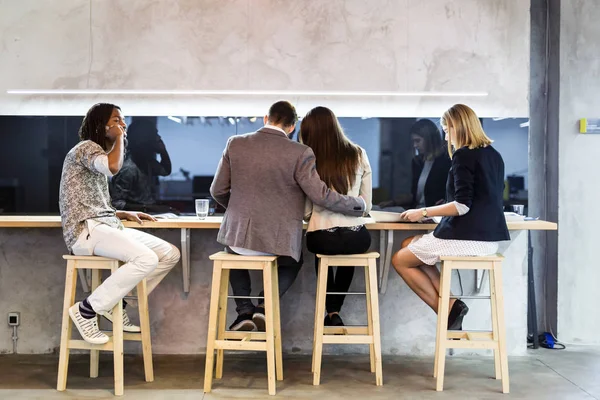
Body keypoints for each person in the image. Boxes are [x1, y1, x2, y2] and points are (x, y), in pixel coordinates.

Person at [210, 101, 366, 331]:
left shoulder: (236, 143)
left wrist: (236, 211)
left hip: (239, 237)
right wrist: (357, 204)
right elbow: (320, 195)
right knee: (293, 262)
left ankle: (243, 311)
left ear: (266, 118)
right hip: (278, 242)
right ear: (292, 127)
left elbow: (217, 191)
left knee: (231, 252)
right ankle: (264, 307)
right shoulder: (300, 152)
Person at [59, 103, 180, 344]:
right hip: (86, 230)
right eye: (116, 120)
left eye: (122, 121)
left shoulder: (97, 153)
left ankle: (115, 303)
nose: (122, 124)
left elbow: (94, 199)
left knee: (169, 254)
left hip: (105, 225)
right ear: (100, 125)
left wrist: (121, 213)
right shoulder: (86, 148)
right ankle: (87, 309)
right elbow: (113, 168)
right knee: (147, 258)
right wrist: (120, 139)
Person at [391, 104, 509, 330]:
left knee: (400, 259)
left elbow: (463, 206)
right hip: (488, 240)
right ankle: (453, 305)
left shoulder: (463, 154)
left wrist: (423, 212)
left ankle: (447, 310)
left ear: (459, 127)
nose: (445, 135)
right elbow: (479, 199)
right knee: (409, 245)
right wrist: (440, 211)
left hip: (468, 238)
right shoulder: (493, 154)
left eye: (447, 129)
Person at [300, 106, 372, 327]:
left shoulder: (308, 160)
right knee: (347, 250)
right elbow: (366, 206)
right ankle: (334, 312)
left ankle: (330, 310)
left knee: (325, 250)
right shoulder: (358, 153)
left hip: (321, 236)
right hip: (357, 237)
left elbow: (306, 213)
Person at [379, 119, 451, 209]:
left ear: (429, 139)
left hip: (434, 214)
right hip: (418, 212)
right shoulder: (418, 162)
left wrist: (445, 202)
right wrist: (393, 202)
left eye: (417, 141)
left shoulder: (446, 161)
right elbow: (415, 195)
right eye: (413, 141)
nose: (415, 145)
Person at [109, 119, 173, 213]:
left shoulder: (146, 161)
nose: (159, 138)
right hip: (136, 220)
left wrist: (163, 151)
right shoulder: (129, 168)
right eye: (155, 135)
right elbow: (116, 204)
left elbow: (165, 171)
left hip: (147, 215)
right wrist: (149, 208)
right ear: (146, 140)